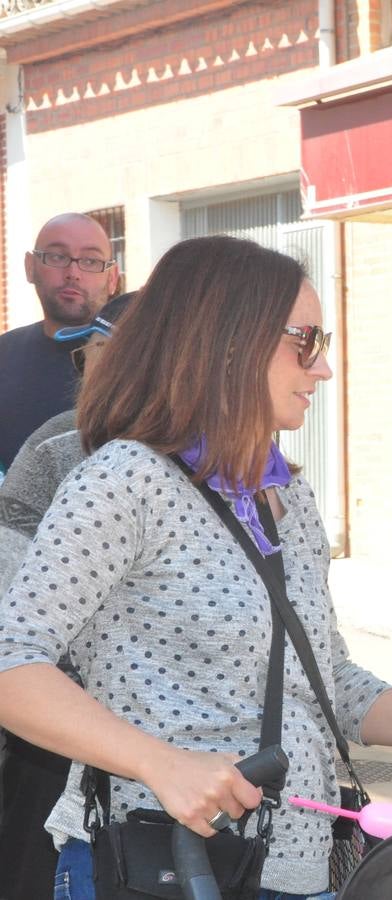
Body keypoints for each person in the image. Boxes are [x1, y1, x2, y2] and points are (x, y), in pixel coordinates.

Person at [0, 236, 392, 899]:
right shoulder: (124, 478)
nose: (324, 368)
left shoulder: (288, 497)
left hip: (297, 872)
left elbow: (324, 675)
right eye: (304, 341)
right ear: (227, 342)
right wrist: (161, 764)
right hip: (164, 864)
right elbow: (12, 663)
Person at [0, 291, 135, 900]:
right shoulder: (60, 444)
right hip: (54, 719)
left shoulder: (231, 455)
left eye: (108, 353)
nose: (92, 369)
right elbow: (9, 552)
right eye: (89, 356)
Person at [0, 213, 120, 474]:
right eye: (57, 257)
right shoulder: (4, 354)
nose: (73, 273)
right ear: (30, 267)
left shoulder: (141, 362)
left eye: (90, 260)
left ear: (113, 278)